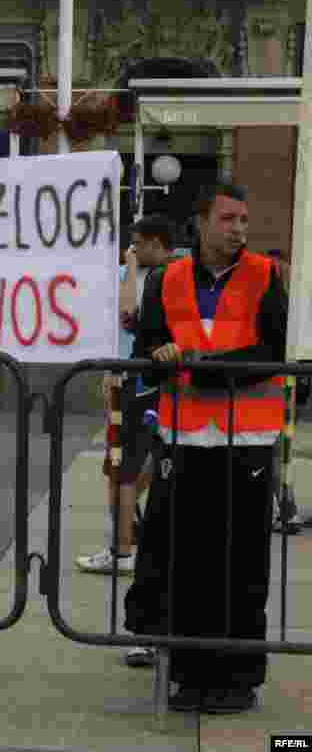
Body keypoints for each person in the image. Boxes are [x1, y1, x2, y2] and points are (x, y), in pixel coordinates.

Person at [124, 184, 287, 714]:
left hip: (248, 440)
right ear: (201, 221)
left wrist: (195, 364)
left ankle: (238, 678)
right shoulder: (167, 278)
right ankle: (190, 676)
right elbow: (148, 346)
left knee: (242, 565)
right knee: (188, 563)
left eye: (244, 219)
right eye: (228, 219)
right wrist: (162, 352)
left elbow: (271, 349)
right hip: (185, 439)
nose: (239, 229)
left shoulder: (266, 274)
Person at [77, 215, 173, 581]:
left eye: (138, 244)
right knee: (117, 467)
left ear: (155, 245)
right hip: (123, 380)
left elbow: (128, 316)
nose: (131, 250)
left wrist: (131, 268)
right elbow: (114, 326)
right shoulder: (127, 276)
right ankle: (123, 536)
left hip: (143, 383)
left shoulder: (164, 278)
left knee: (126, 467)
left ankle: (123, 548)